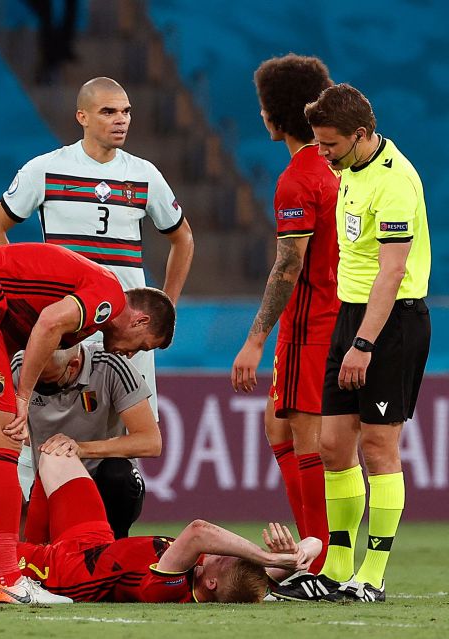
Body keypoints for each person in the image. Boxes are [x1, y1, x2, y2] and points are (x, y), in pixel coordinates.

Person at [0, 242, 176, 604]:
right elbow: (47, 324)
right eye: (144, 344)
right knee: (6, 439)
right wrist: (22, 397)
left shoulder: (77, 301)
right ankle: (7, 578)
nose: (133, 353)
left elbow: (10, 338)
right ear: (140, 320)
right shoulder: (108, 296)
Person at [274, 84, 431, 603]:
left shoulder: (396, 181)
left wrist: (364, 344)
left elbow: (392, 273)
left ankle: (373, 574)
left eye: (330, 145)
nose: (322, 154)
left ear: (361, 135)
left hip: (390, 323)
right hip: (351, 316)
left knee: (379, 447)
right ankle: (338, 568)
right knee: (333, 446)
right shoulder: (349, 171)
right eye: (318, 144)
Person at [0, 76, 195, 422]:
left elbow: (183, 238)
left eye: (126, 111)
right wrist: (16, 300)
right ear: (82, 117)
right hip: (66, 324)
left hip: (126, 327)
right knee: (41, 428)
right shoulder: (45, 169)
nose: (121, 119)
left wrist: (165, 306)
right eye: (108, 112)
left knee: (129, 436)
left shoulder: (144, 175)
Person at [0, 454, 320, 603]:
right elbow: (317, 543)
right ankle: (31, 539)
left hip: (65, 569)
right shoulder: (234, 578)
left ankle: (22, 571)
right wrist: (297, 555)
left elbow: (197, 530)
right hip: (95, 538)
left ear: (210, 583)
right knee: (54, 453)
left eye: (223, 561)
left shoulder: (170, 586)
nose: (225, 553)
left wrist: (266, 555)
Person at [231, 54, 336, 573]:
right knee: (279, 429)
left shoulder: (300, 179)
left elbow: (287, 265)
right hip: (343, 320)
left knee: (304, 437)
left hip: (310, 325)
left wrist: (255, 339)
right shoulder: (343, 171)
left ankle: (315, 562)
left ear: (274, 117)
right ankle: (315, 552)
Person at [13, 342, 161, 542]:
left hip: (105, 486)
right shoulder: (20, 366)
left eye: (48, 383)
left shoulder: (111, 366)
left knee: (118, 473)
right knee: (42, 556)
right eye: (35, 381)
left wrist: (79, 448)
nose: (39, 389)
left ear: (73, 366)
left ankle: (114, 547)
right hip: (51, 483)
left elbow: (150, 441)